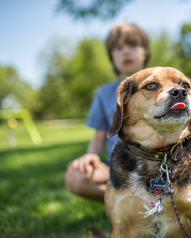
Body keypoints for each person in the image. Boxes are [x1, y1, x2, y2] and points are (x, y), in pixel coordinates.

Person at [65, 22, 151, 202]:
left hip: (156, 164)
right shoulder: (104, 93)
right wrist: (91, 156)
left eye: (133, 45)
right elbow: (99, 137)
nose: (126, 52)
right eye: (118, 48)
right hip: (119, 169)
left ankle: (150, 199)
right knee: (76, 176)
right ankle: (132, 203)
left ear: (145, 52)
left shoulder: (160, 86)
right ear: (112, 57)